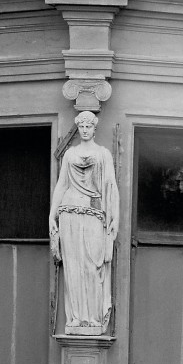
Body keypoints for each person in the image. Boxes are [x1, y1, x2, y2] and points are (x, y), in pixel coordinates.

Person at [50, 109, 119, 333]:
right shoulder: (70, 154)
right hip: (69, 212)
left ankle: (93, 317)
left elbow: (110, 186)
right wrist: (52, 215)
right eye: (81, 126)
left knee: (92, 264)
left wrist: (114, 218)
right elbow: (62, 184)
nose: (85, 130)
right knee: (73, 267)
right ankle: (77, 318)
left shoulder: (103, 154)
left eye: (89, 126)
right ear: (78, 128)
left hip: (93, 214)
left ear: (94, 128)